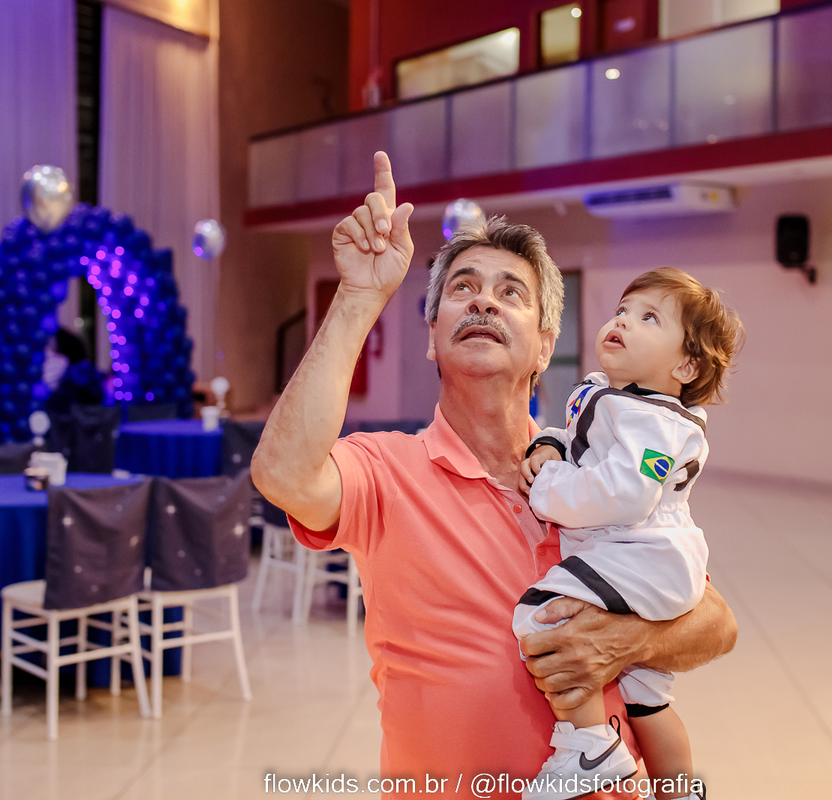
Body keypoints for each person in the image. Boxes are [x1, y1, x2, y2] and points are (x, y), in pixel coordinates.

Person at [251, 152, 738, 798]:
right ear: (432, 336)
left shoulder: (591, 464)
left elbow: (717, 624)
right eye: (462, 288)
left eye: (511, 293)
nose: (483, 299)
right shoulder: (388, 471)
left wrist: (624, 641)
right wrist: (358, 297)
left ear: (544, 345)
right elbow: (283, 474)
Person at [513, 268, 743, 800]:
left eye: (649, 318)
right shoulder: (612, 395)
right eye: (623, 310)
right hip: (642, 554)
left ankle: (589, 747)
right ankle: (679, 791)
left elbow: (627, 494)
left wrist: (548, 485)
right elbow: (581, 440)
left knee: (542, 617)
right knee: (646, 699)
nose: (623, 322)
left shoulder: (656, 424)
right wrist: (548, 444)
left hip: (644, 554)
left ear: (685, 366)